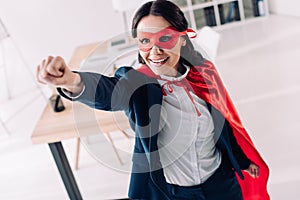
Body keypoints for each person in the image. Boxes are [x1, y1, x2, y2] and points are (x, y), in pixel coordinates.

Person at [36, 0, 270, 199]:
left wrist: (241, 160)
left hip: (222, 183)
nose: (155, 51)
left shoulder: (203, 75)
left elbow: (222, 124)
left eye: (165, 38)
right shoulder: (138, 85)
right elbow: (109, 92)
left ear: (182, 39)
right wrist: (70, 81)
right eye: (145, 41)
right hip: (175, 192)